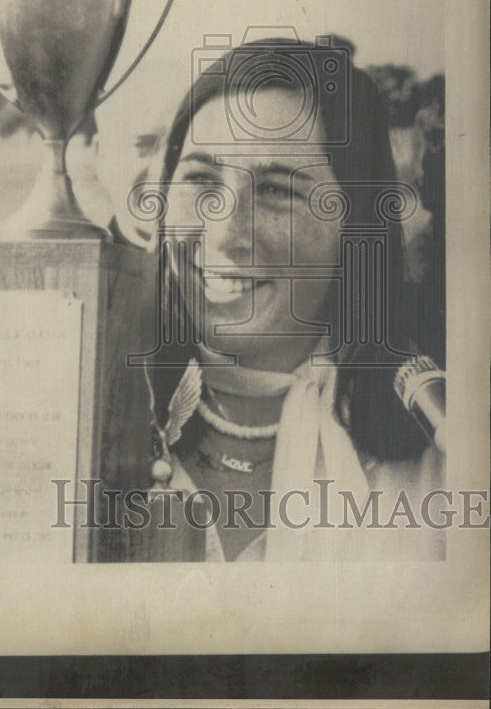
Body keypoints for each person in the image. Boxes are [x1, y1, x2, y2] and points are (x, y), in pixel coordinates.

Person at [141, 39, 445, 561]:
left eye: (278, 190)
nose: (224, 231)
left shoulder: (439, 468)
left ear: (356, 226)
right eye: (199, 178)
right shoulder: (98, 423)